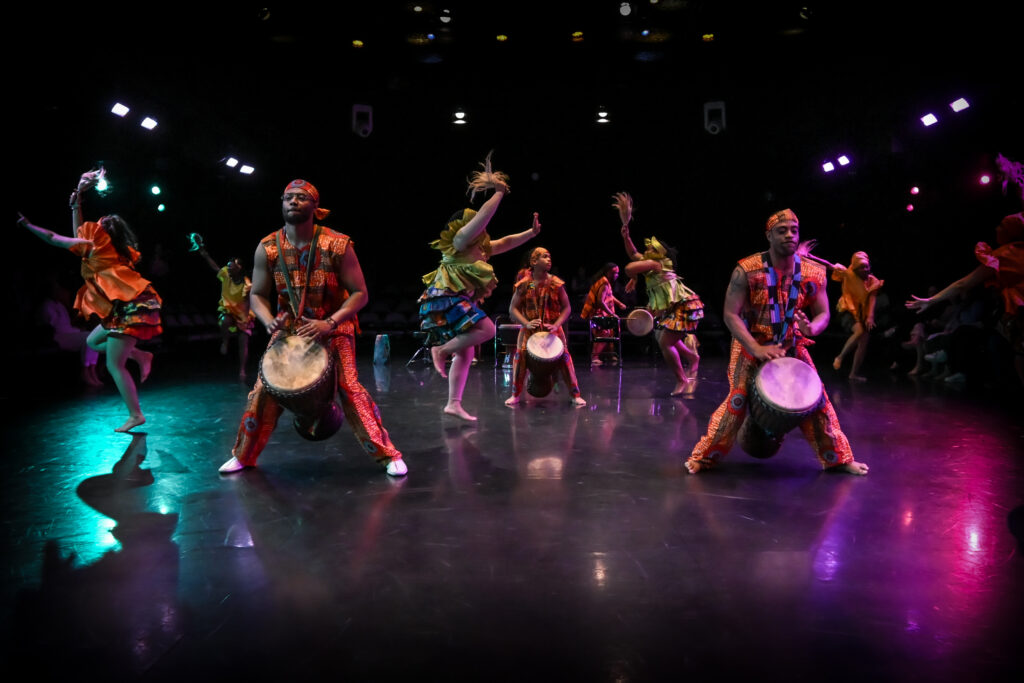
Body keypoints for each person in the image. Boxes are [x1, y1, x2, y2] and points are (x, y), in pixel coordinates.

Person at [218, 179, 406, 477]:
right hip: (289, 328)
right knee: (262, 391)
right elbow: (256, 295)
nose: (293, 201)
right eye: (288, 197)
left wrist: (329, 322)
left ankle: (388, 455)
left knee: (349, 387)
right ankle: (243, 455)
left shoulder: (337, 244)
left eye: (301, 197)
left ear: (315, 206)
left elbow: (360, 293)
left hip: (334, 326)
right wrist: (269, 321)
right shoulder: (267, 247)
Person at [686, 209, 869, 475]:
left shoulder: (813, 273)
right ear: (768, 235)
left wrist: (812, 327)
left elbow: (824, 314)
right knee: (736, 401)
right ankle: (704, 457)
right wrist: (756, 348)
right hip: (752, 342)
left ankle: (838, 459)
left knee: (818, 401)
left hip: (790, 343)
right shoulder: (747, 270)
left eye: (794, 230)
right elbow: (730, 314)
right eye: (782, 231)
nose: (789, 235)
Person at [17, 169, 160, 432]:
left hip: (129, 306)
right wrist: (76, 202)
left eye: (100, 222)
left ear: (103, 231)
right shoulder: (114, 249)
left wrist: (27, 225)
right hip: (128, 305)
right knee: (92, 341)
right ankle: (140, 355)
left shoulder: (95, 247)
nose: (94, 225)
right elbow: (79, 232)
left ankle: (135, 414)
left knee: (114, 364)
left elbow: (53, 238)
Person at [419, 153, 541, 421]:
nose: (483, 231)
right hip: (445, 296)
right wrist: (498, 194)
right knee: (485, 329)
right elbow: (482, 219)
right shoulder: (460, 240)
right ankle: (440, 350)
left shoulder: (478, 247)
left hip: (454, 298)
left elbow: (505, 242)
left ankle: (453, 403)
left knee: (467, 349)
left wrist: (530, 234)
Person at [906, 211, 1023, 388]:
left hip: (1020, 311)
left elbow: (963, 284)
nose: (996, 229)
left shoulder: (1004, 255)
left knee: (1020, 356)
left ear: (1011, 232)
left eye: (1002, 226)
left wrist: (932, 300)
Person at [615, 192, 704, 396]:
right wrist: (626, 235)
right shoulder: (649, 265)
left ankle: (682, 379)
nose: (646, 249)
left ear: (659, 252)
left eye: (649, 248)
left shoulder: (656, 263)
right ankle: (692, 357)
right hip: (676, 306)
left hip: (684, 304)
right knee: (664, 336)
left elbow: (629, 267)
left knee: (665, 341)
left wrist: (634, 276)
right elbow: (632, 254)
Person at [505, 247, 586, 407]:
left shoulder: (556, 283)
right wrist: (526, 323)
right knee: (520, 357)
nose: (549, 259)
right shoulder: (525, 284)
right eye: (544, 257)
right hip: (529, 329)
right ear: (534, 262)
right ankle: (515, 395)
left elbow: (567, 308)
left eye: (549, 256)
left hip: (552, 330)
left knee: (565, 358)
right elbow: (512, 308)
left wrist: (556, 324)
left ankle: (575, 395)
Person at [193, 243, 255, 380]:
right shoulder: (226, 275)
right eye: (228, 265)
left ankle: (242, 370)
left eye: (231, 266)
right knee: (224, 320)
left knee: (243, 342)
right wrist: (203, 251)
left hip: (243, 314)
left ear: (239, 268)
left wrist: (244, 321)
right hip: (229, 310)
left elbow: (248, 304)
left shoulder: (247, 284)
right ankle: (225, 341)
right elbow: (214, 266)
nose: (228, 267)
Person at [829, 251, 884, 381]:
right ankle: (840, 357)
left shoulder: (873, 281)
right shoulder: (848, 274)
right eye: (861, 267)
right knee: (859, 331)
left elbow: (872, 299)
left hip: (861, 313)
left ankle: (853, 374)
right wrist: (808, 256)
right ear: (855, 268)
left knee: (864, 341)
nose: (865, 269)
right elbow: (829, 265)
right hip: (846, 309)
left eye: (867, 266)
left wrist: (870, 316)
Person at [580, 262, 627, 366]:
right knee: (603, 333)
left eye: (618, 273)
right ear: (608, 272)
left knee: (609, 333)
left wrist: (619, 304)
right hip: (598, 313)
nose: (616, 275)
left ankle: (608, 354)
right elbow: (600, 301)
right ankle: (595, 357)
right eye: (614, 273)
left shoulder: (606, 282)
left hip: (603, 313)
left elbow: (609, 295)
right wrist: (611, 314)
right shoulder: (604, 282)